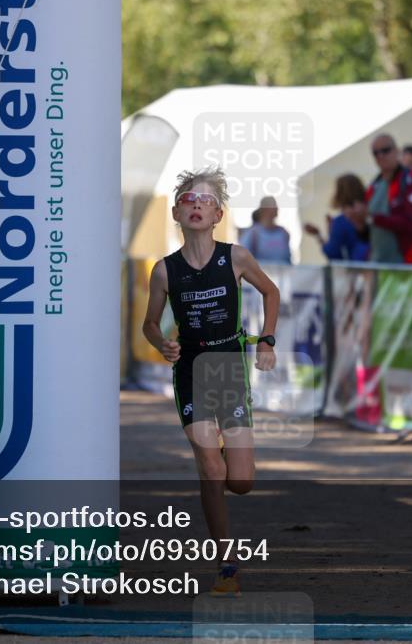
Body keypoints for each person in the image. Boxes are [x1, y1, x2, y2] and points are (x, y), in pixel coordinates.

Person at [142, 167, 279, 597]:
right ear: (177, 213)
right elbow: (149, 323)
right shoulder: (164, 271)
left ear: (218, 215)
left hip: (229, 369)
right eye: (189, 200)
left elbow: (271, 292)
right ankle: (226, 566)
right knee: (211, 468)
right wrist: (163, 343)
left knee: (240, 481)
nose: (197, 205)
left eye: (206, 201)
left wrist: (267, 340)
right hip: (191, 371)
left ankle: (223, 455)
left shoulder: (235, 257)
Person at [365, 134, 412, 264]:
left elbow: (411, 222)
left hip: (409, 263)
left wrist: (374, 219)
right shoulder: (374, 186)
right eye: (375, 153)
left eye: (385, 150)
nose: (380, 156)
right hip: (379, 262)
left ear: (397, 151)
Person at [303, 173, 369, 261]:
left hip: (358, 266)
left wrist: (318, 235)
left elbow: (333, 253)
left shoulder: (341, 221)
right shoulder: (372, 212)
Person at [238, 196, 291, 264]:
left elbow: (288, 259)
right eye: (273, 205)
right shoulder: (252, 234)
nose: (277, 208)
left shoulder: (283, 233)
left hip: (284, 270)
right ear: (264, 209)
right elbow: (242, 259)